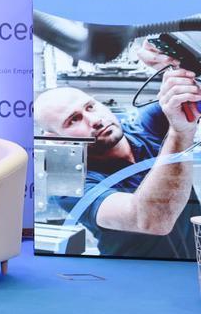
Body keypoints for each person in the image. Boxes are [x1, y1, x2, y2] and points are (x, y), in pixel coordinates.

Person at [33, 63, 200, 259]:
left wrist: (182, 68)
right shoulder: (71, 185)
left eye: (90, 107)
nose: (94, 120)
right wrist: (180, 133)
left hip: (193, 261)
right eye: (73, 120)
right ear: (56, 138)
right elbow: (151, 220)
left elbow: (191, 96)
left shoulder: (144, 126)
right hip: (139, 275)